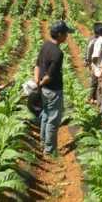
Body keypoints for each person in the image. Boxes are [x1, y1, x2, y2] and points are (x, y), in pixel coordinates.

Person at [35, 20, 74, 156]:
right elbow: (49, 76)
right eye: (65, 34)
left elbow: (37, 65)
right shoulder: (58, 53)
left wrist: (37, 82)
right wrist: (41, 83)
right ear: (59, 34)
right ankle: (50, 150)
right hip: (53, 90)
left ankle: (43, 142)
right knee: (53, 119)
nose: (67, 36)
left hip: (44, 89)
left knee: (45, 115)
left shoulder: (45, 45)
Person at [86, 23, 102, 104]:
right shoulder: (95, 40)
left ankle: (94, 97)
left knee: (96, 81)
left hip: (96, 64)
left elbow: (88, 52)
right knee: (95, 81)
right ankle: (92, 97)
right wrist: (89, 62)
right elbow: (89, 52)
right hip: (96, 64)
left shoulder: (95, 39)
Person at [91, 24, 102, 106]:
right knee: (101, 87)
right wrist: (98, 67)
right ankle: (101, 105)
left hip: (101, 68)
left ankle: (100, 104)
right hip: (100, 68)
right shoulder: (100, 41)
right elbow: (95, 57)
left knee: (100, 87)